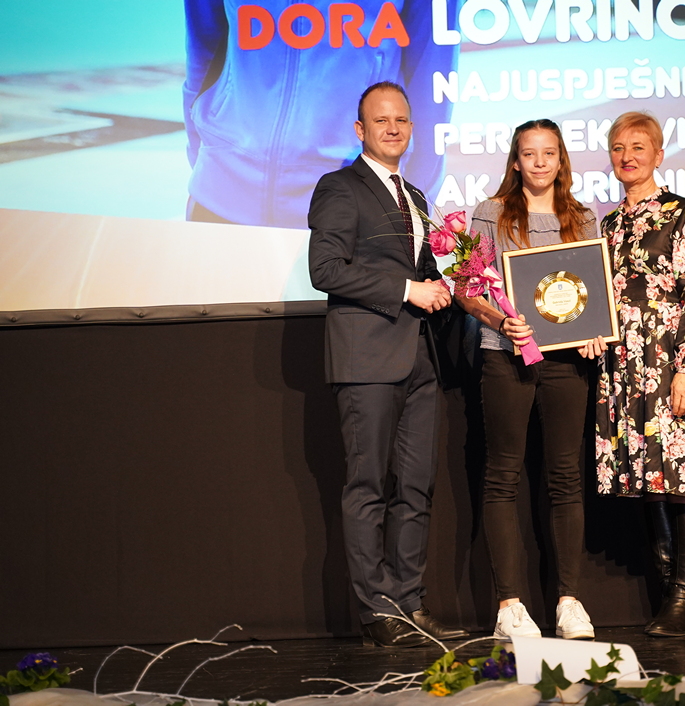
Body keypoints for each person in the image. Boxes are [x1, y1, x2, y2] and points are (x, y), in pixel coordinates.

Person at [308, 82, 467, 648]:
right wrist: (407, 290)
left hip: (422, 357)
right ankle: (377, 611)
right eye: (381, 120)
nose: (393, 128)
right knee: (368, 486)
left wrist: (459, 281)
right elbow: (325, 269)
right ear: (360, 129)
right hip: (367, 360)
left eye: (401, 119)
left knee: (417, 488)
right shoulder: (339, 187)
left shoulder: (417, 197)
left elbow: (426, 275)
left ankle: (409, 603)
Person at [457, 119, 604, 640]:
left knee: (566, 477)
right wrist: (501, 322)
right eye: (529, 153)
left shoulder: (582, 218)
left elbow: (591, 293)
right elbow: (466, 290)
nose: (539, 162)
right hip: (504, 357)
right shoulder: (490, 213)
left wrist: (594, 331)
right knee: (503, 475)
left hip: (567, 363)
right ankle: (510, 607)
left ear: (561, 160)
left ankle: (569, 602)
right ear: (515, 161)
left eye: (549, 153)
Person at [595, 112, 685, 638]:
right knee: (650, 477)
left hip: (671, 362)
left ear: (658, 154)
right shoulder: (608, 225)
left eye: (638, 147)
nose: (627, 156)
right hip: (626, 365)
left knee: (684, 475)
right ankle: (671, 593)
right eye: (618, 148)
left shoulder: (683, 214)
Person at [184, 0, 457, 228]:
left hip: (355, 204)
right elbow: (203, 46)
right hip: (221, 192)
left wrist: (414, 210)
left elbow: (432, 82)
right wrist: (210, 151)